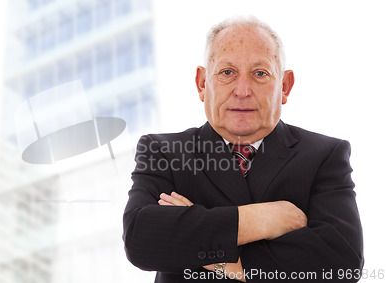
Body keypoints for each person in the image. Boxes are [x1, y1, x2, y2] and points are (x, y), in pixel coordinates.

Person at [122, 16, 363, 282]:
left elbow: (343, 261)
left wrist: (224, 260)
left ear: (284, 86)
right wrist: (263, 219)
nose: (242, 90)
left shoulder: (325, 155)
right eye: (227, 72)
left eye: (260, 74)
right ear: (202, 83)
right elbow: (140, 238)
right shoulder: (164, 151)